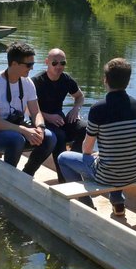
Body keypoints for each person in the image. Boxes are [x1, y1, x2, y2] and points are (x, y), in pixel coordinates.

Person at [57, 58, 136, 217]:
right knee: (117, 159)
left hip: (108, 174)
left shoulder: (98, 108)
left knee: (63, 158)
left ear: (105, 80)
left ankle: (87, 205)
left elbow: (87, 149)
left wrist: (93, 156)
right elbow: (126, 143)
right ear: (128, 81)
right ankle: (118, 203)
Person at [0, 41, 56, 176]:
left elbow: (36, 111)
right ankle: (8, 176)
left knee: (50, 138)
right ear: (14, 64)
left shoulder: (27, 83)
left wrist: (40, 128)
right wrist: (25, 130)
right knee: (16, 140)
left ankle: (27, 174)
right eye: (29, 65)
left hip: (17, 129)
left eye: (32, 64)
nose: (32, 68)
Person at [32, 48, 86, 182]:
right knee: (60, 136)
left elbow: (79, 96)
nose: (59, 66)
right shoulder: (36, 81)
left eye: (62, 63)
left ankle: (73, 162)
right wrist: (48, 116)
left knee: (84, 128)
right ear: (47, 62)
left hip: (60, 119)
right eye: (55, 63)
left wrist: (75, 109)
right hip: (41, 120)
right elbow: (28, 109)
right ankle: (63, 180)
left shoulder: (66, 79)